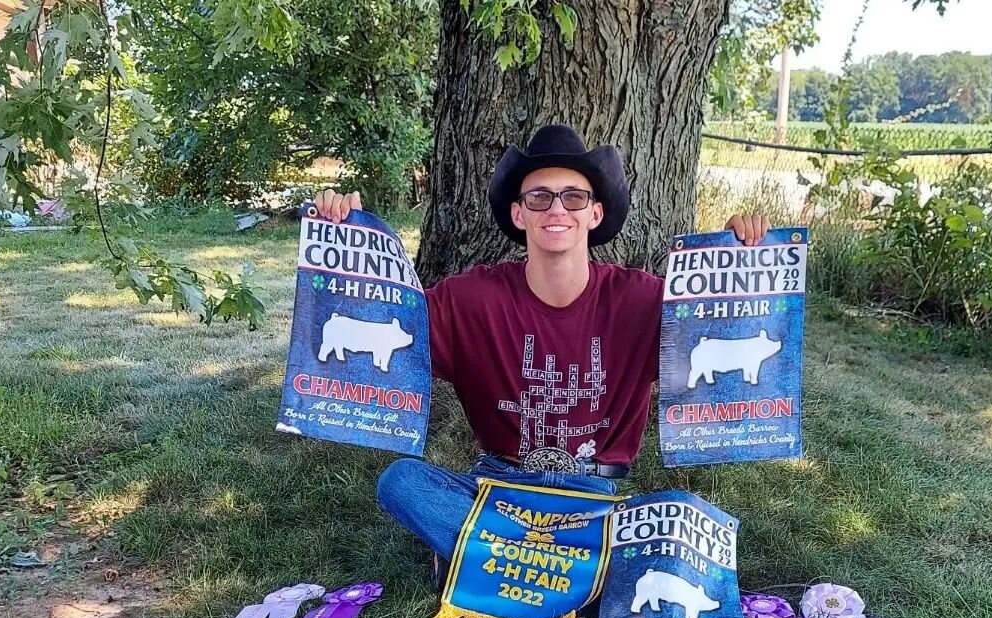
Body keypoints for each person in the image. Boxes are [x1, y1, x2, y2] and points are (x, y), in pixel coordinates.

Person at [314, 124, 769, 569]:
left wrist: (733, 257)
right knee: (402, 482)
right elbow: (387, 322)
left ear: (594, 213)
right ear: (519, 214)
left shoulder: (643, 299)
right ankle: (568, 569)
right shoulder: (472, 298)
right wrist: (348, 236)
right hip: (499, 485)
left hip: (591, 495)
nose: (557, 209)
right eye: (539, 197)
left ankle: (487, 558)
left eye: (573, 197)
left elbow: (718, 333)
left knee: (679, 516)